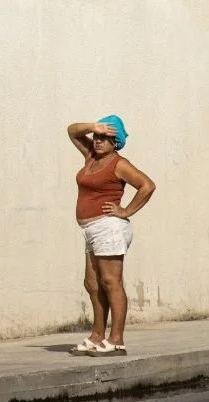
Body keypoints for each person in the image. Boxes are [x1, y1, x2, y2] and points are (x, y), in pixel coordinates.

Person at [66, 115, 155, 356]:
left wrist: (126, 210)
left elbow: (147, 185)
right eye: (97, 136)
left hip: (109, 227)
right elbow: (72, 131)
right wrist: (92, 126)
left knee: (110, 282)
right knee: (92, 284)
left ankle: (116, 340)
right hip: (91, 229)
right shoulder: (91, 157)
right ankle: (97, 335)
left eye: (105, 138)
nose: (98, 141)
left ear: (115, 142)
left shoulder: (119, 163)